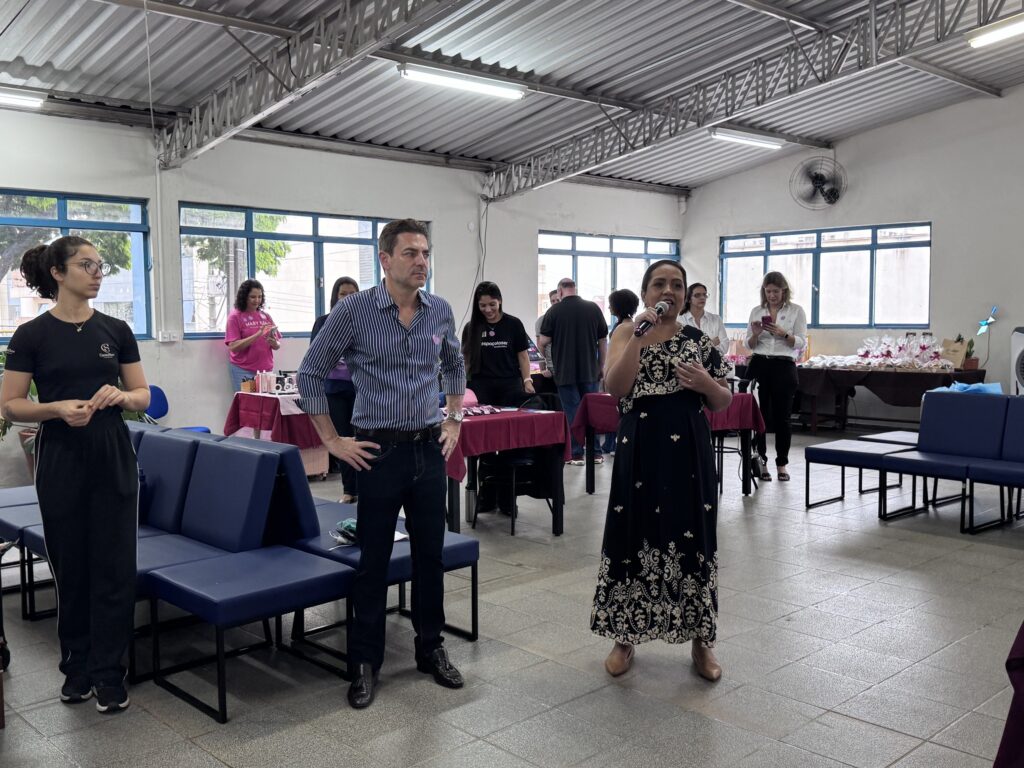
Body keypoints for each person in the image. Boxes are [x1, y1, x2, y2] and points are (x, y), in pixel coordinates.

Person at [297, 219, 466, 710]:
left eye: (426, 253)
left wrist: (453, 421)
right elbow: (311, 370)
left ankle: (429, 647)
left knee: (430, 556)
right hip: (377, 453)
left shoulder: (440, 311)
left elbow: (455, 365)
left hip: (427, 451)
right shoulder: (354, 311)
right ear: (385, 259)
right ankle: (365, 662)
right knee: (372, 562)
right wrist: (331, 440)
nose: (421, 262)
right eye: (411, 253)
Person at [0, 236, 151, 713]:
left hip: (112, 452)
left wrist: (122, 398)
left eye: (100, 265)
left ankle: (110, 673)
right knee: (70, 567)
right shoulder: (31, 335)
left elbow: (143, 393)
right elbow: (10, 404)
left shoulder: (116, 328)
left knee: (113, 566)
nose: (97, 272)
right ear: (59, 273)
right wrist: (55, 408)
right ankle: (77, 668)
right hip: (61, 454)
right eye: (86, 264)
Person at [590, 259, 731, 682]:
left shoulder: (699, 339)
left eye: (676, 285)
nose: (667, 291)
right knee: (631, 535)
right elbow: (616, 387)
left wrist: (707, 384)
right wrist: (638, 335)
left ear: (686, 294)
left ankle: (701, 642)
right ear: (645, 292)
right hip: (640, 447)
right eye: (658, 284)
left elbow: (723, 400)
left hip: (690, 449)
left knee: (694, 539)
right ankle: (624, 636)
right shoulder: (625, 332)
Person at [744, 271, 807, 482]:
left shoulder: (796, 311)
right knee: (758, 416)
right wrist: (755, 334)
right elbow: (748, 345)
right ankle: (760, 461)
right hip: (760, 363)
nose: (772, 295)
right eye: (768, 291)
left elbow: (801, 343)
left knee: (783, 418)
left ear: (784, 291)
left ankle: (782, 464)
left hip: (784, 365)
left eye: (776, 291)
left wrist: (783, 334)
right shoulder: (756, 311)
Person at [538, 278, 608, 465]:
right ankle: (596, 453)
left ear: (560, 292)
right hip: (590, 371)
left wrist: (547, 365)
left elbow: (543, 342)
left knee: (573, 412)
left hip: (564, 372)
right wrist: (601, 367)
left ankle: (576, 454)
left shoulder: (553, 311)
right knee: (592, 411)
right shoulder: (593, 308)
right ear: (574, 289)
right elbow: (602, 342)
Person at [311, 276, 360, 502]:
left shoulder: (366, 322)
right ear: (335, 297)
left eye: (353, 294)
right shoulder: (323, 322)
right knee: (344, 438)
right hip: (334, 391)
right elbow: (313, 358)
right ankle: (349, 490)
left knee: (365, 439)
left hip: (362, 390)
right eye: (343, 294)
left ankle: (369, 488)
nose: (348, 298)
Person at [462, 281, 535, 406]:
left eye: (492, 304)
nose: (488, 310)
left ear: (500, 301)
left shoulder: (514, 324)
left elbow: (523, 356)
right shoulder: (471, 328)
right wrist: (461, 386)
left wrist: (527, 381)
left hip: (510, 386)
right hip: (481, 388)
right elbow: (465, 360)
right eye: (482, 305)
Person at [600, 289, 639, 454]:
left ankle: (612, 443)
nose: (609, 308)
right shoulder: (625, 325)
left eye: (611, 305)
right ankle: (609, 443)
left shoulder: (625, 327)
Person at [224, 279, 281, 392]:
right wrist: (258, 334)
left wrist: (274, 343)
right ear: (244, 297)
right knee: (247, 405)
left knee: (266, 404)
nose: (257, 300)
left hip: (266, 371)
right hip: (244, 370)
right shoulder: (235, 317)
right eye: (253, 297)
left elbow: (277, 345)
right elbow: (233, 347)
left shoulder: (265, 316)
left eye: (260, 297)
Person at [680, 282, 730, 359]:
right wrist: (710, 344)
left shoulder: (716, 319)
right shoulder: (681, 320)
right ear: (689, 299)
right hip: (690, 367)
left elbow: (725, 345)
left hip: (714, 366)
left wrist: (700, 349)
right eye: (697, 295)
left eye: (704, 295)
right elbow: (683, 349)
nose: (702, 298)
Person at [533, 289, 559, 394]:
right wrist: (543, 369)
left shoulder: (570, 319)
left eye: (558, 300)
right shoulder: (542, 320)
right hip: (552, 368)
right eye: (552, 301)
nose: (555, 303)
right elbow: (540, 346)